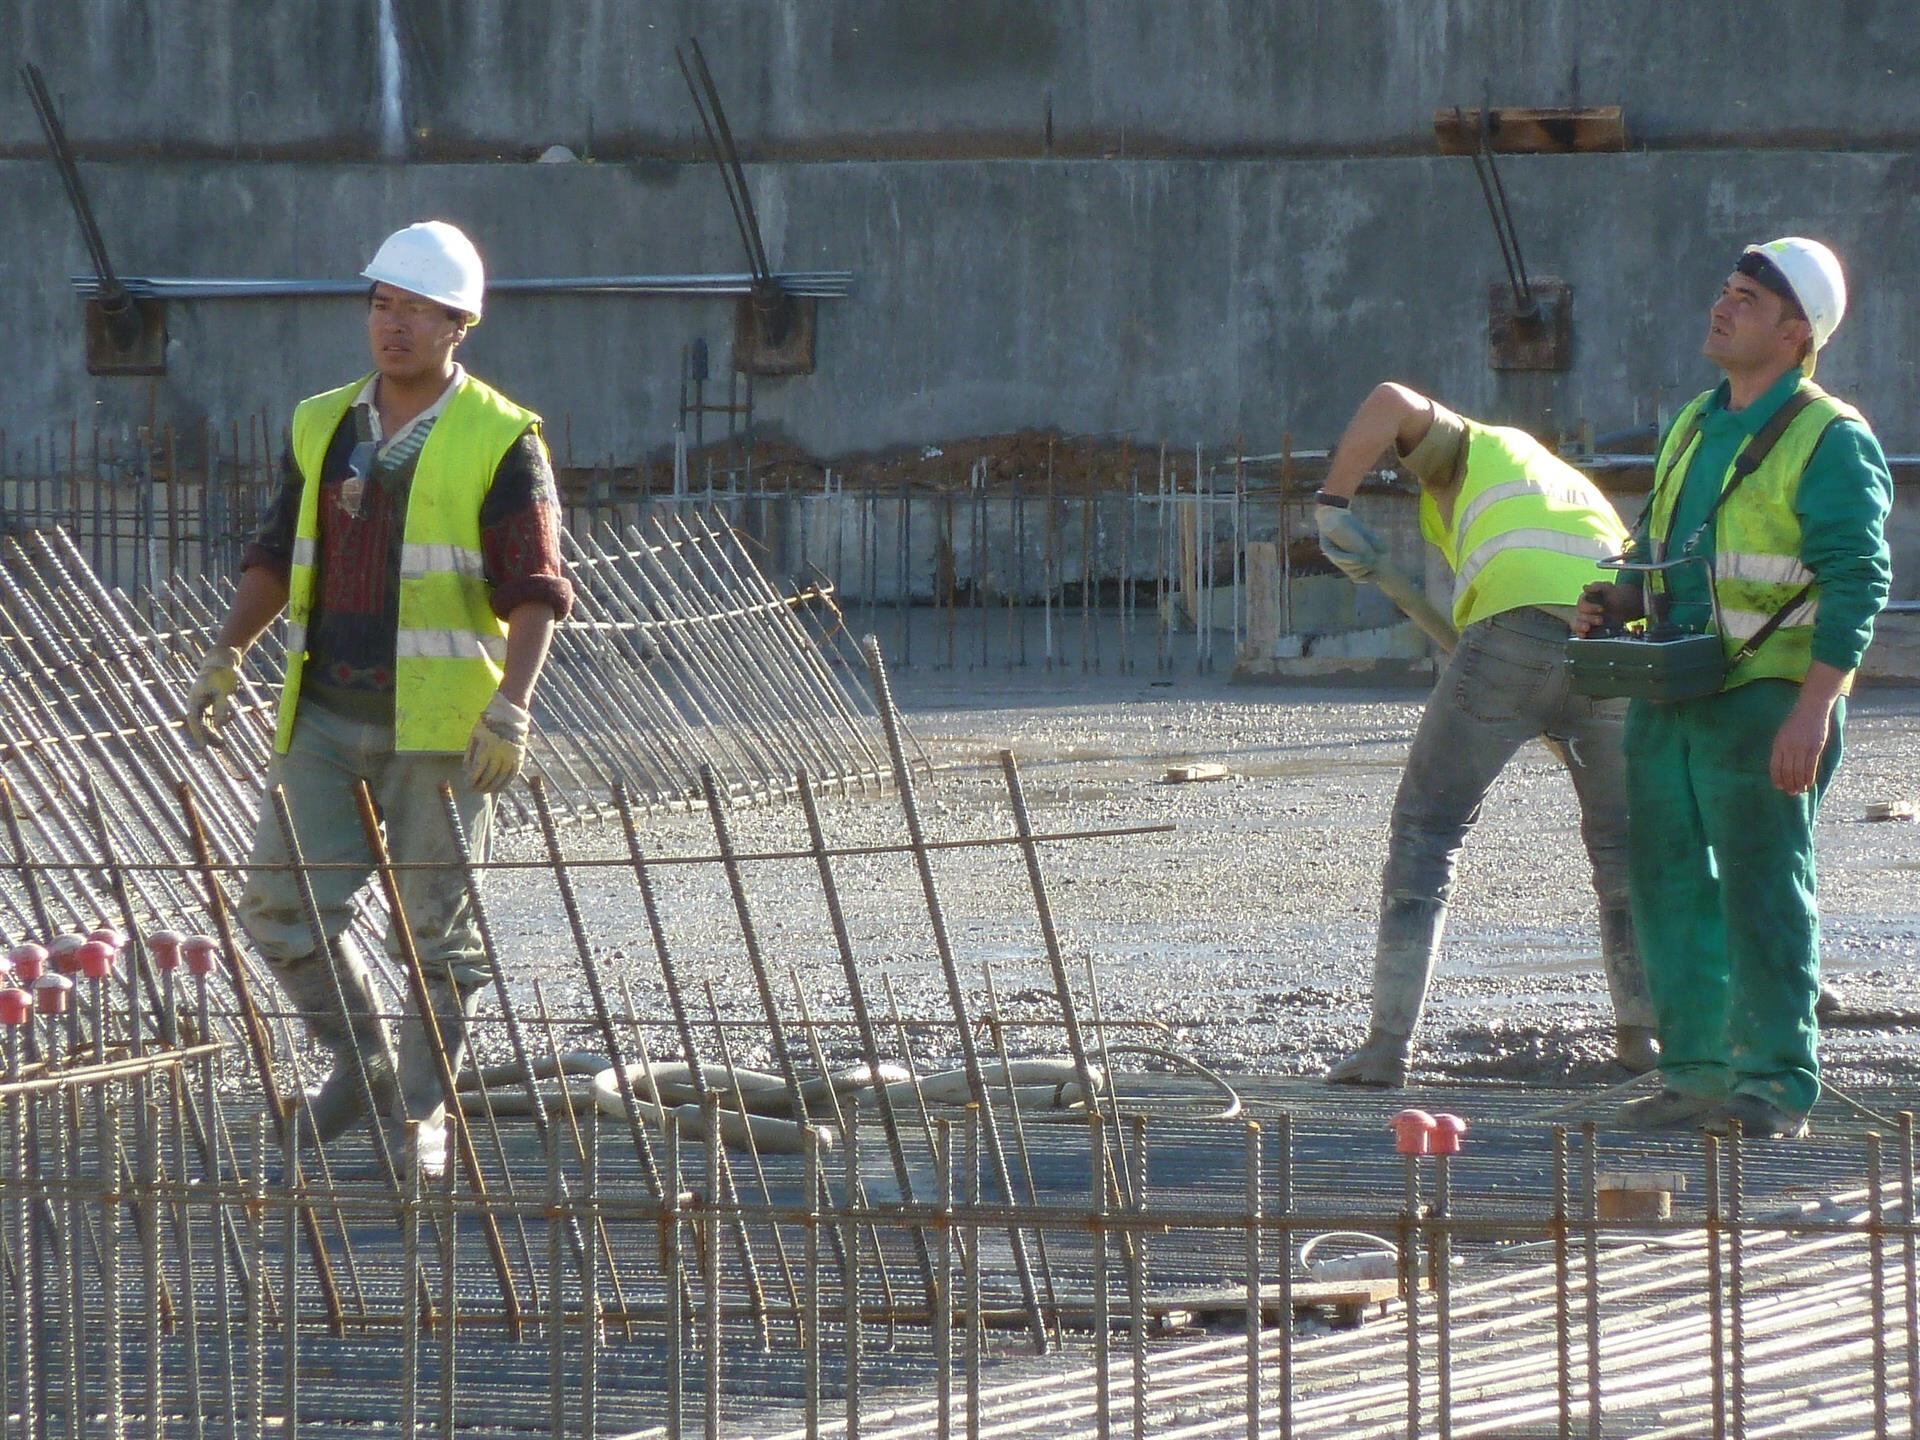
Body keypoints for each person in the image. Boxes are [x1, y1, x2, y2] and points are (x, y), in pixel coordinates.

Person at [182, 220, 573, 1173]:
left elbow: (535, 587)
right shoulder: (323, 424)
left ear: (458, 325)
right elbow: (277, 554)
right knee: (280, 907)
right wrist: (228, 652)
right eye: (380, 304)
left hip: (440, 727)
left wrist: (511, 706)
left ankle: (421, 1113)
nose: (391, 325)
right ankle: (360, 1059)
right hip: (324, 714)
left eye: (415, 311)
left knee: (436, 936)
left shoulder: (498, 436)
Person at [1576, 237, 1891, 1139]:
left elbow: (1856, 580)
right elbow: (1661, 548)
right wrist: (1619, 596)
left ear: (1798, 333)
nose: (1722, 307)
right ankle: (1697, 1074)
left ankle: (1776, 1082)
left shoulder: (1830, 438)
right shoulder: (1694, 422)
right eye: (1725, 290)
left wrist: (1813, 707)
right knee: (1668, 883)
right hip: (1674, 690)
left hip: (1766, 697)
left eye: (1746, 299)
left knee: (1761, 886)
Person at [1316, 382, 1656, 1087]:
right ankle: (1642, 1038)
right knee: (1625, 852)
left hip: (1515, 637)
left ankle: (1385, 1049)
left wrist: (1331, 505)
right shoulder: (1563, 490)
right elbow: (1493, 636)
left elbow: (1385, 399)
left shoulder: (1474, 447)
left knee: (1427, 829)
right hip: (1614, 643)